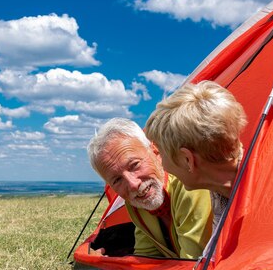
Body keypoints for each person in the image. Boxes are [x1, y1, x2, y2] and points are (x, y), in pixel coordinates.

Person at [87, 118, 212, 259]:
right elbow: (146, 258)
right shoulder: (136, 205)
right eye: (117, 180)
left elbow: (192, 266)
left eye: (134, 165)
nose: (133, 185)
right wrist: (105, 265)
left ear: (155, 151)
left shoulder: (189, 187)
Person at [145, 80, 247, 229]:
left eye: (161, 153)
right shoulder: (223, 193)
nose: (162, 164)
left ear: (187, 159)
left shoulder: (262, 205)